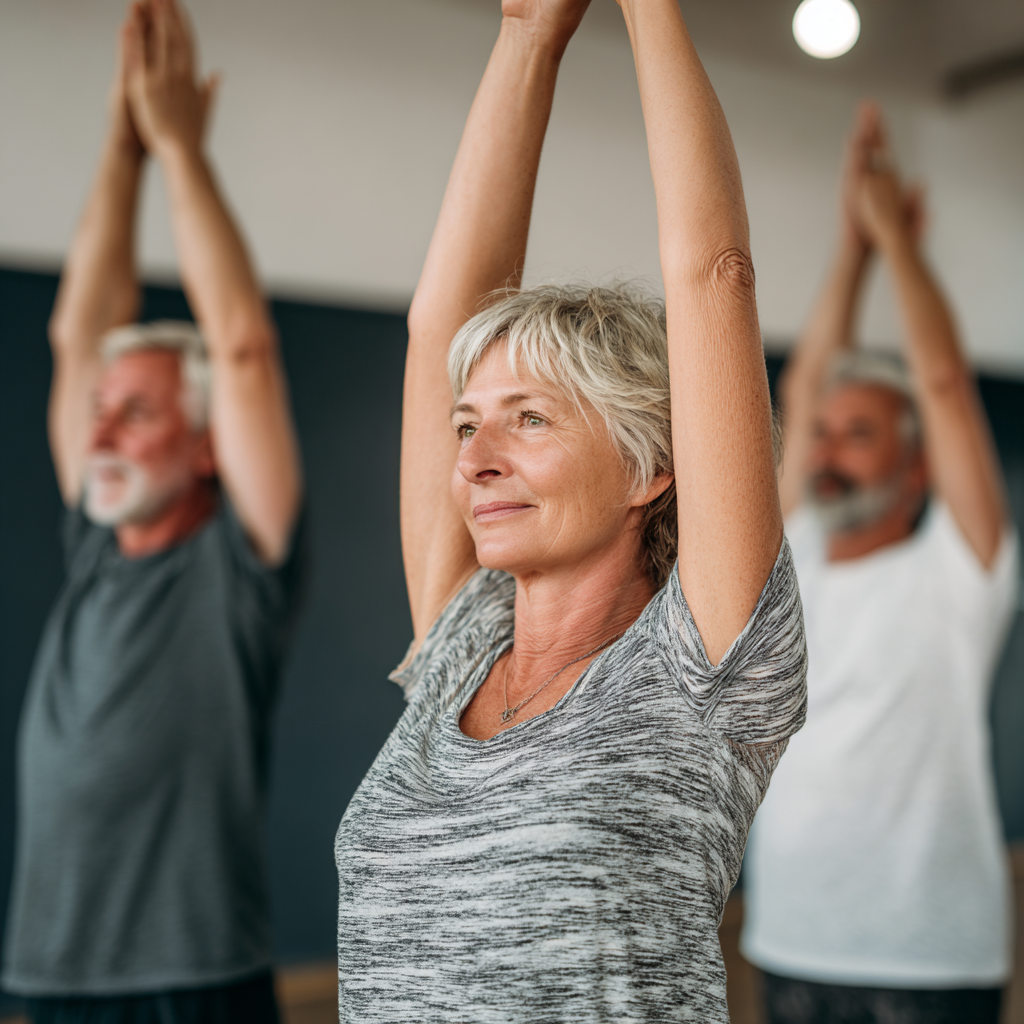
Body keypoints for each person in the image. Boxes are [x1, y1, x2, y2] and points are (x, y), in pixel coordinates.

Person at [333, 0, 808, 1019]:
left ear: (649, 468)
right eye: (467, 427)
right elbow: (438, 327)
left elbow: (713, 275)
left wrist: (648, 10)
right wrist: (525, 34)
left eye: (530, 419)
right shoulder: (462, 637)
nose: (477, 460)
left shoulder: (705, 669)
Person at [1, 1, 304, 1021]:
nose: (101, 436)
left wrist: (179, 151)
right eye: (100, 414)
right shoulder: (95, 543)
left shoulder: (242, 564)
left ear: (205, 441)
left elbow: (244, 347)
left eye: (136, 415)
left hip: (191, 976)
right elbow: (74, 328)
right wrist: (120, 147)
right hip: (49, 968)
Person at [740, 104, 1019, 1024]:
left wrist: (899, 244)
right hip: (788, 940)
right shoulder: (799, 555)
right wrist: (850, 249)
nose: (826, 451)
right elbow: (803, 384)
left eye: (859, 436)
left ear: (917, 463)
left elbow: (941, 381)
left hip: (928, 959)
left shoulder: (960, 570)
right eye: (822, 435)